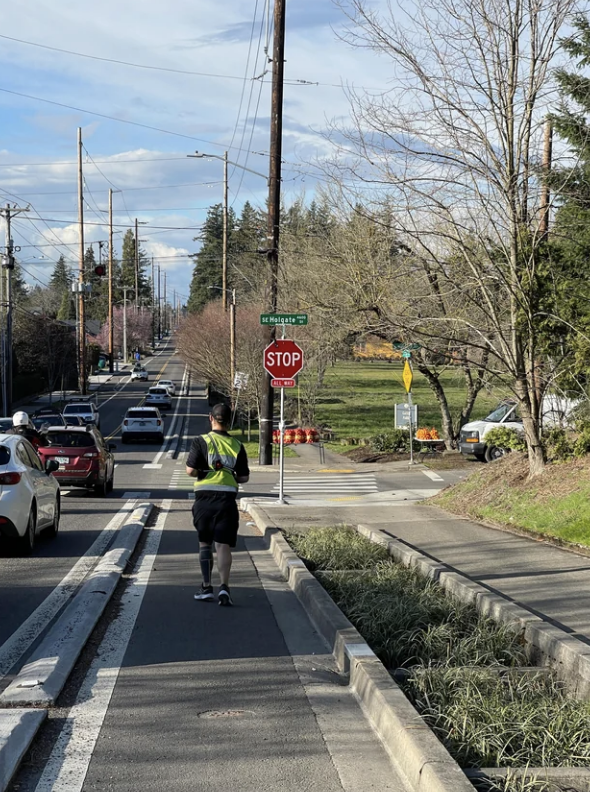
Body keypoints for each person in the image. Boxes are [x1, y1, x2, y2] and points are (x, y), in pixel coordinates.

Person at [186, 403, 249, 606]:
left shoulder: (200, 441)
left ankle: (206, 587)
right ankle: (224, 587)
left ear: (210, 418)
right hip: (227, 500)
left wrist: (204, 472)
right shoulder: (238, 445)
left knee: (205, 542)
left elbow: (190, 470)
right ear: (229, 421)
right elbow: (244, 477)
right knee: (223, 545)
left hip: (204, 498)